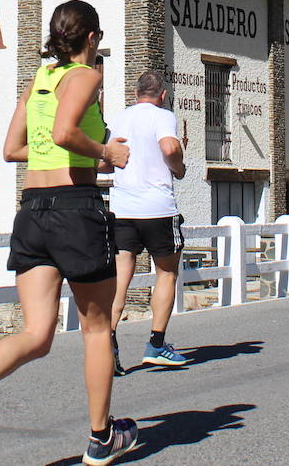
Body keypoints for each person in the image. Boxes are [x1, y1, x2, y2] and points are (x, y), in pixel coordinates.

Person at [0, 0, 138, 466]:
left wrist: (60, 146)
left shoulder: (39, 80)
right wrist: (104, 152)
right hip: (75, 209)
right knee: (96, 328)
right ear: (91, 38)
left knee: (37, 332)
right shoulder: (87, 76)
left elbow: (12, 149)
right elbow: (68, 132)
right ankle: (100, 438)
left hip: (33, 212)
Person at [108, 70, 187, 376]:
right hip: (157, 209)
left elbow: (107, 159)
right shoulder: (162, 115)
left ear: (135, 93)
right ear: (163, 95)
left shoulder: (120, 117)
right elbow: (169, 148)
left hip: (123, 208)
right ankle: (156, 345)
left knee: (119, 279)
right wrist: (178, 168)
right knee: (166, 273)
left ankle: (108, 343)